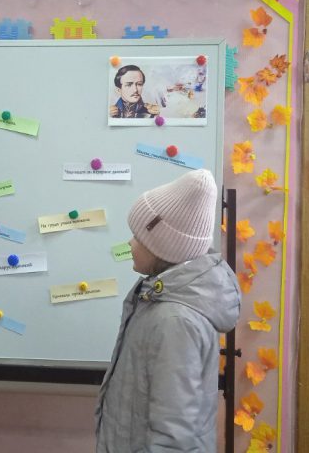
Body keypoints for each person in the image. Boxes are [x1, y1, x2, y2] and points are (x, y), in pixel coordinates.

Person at [96, 169, 242, 452]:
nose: (130, 243)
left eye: (138, 237)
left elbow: (175, 433)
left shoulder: (175, 321)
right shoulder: (158, 298)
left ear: (163, 248)